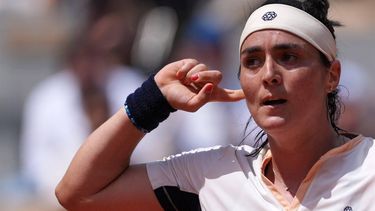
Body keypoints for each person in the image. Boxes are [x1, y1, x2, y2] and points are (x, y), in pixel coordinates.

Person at [55, 0, 375, 210]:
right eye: (252, 61)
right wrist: (153, 99)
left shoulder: (369, 169)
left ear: (331, 76)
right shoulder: (209, 176)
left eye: (288, 57)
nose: (269, 75)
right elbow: (78, 193)